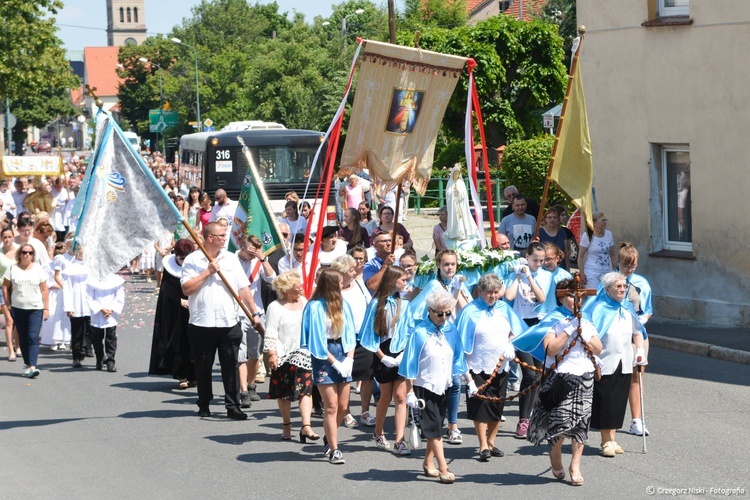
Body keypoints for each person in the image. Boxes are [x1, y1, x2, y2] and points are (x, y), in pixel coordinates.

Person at [524, 279, 604, 486]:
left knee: (581, 424)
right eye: (570, 295)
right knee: (560, 421)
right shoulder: (553, 319)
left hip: (584, 376)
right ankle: (555, 454)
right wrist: (568, 331)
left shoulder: (586, 320)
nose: (576, 299)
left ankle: (575, 465)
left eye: (578, 295)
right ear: (561, 297)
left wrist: (584, 333)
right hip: (560, 376)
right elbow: (550, 349)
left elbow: (598, 348)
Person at [180, 222, 263, 419]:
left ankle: (233, 406)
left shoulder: (231, 259)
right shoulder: (192, 260)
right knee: (203, 365)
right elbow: (187, 289)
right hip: (202, 321)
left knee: (231, 365)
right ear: (210, 238)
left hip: (228, 321)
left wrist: (254, 313)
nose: (225, 239)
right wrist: (207, 272)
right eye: (221, 236)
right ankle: (204, 402)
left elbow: (243, 288)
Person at [455, 273, 527, 461]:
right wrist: (464, 373)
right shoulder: (470, 311)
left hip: (500, 365)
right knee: (480, 406)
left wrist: (511, 344)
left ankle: (491, 442)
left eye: (496, 293)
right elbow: (459, 339)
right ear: (480, 291)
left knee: (497, 405)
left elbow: (517, 331)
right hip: (477, 364)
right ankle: (482, 445)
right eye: (489, 293)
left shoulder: (504, 308)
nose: (493, 296)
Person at [400, 289, 468, 484]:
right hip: (424, 387)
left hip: (444, 384)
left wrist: (468, 380)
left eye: (447, 313)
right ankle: (443, 468)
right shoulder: (419, 332)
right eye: (439, 313)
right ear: (429, 310)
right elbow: (409, 363)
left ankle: (428, 462)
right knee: (435, 430)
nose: (444, 317)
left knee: (437, 425)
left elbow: (458, 355)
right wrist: (410, 391)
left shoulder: (450, 329)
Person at [409, 249, 472, 445]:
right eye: (446, 264)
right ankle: (431, 422)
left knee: (454, 383)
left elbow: (466, 309)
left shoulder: (458, 283)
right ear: (438, 265)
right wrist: (454, 291)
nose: (450, 268)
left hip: (452, 337)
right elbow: (446, 310)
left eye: (453, 264)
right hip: (435, 337)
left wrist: (459, 288)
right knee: (434, 383)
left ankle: (452, 425)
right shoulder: (435, 285)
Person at [583, 272, 646, 457]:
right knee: (606, 402)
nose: (622, 290)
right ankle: (606, 441)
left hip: (625, 360)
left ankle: (613, 438)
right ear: (608, 289)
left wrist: (640, 351)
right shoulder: (599, 308)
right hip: (605, 361)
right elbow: (589, 334)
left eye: (624, 286)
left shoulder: (627, 308)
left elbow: (638, 332)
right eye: (618, 287)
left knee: (618, 402)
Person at [300, 268, 357, 465]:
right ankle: (334, 449)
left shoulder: (344, 304)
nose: (343, 285)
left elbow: (350, 333)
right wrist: (334, 362)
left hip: (343, 349)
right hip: (324, 355)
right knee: (331, 406)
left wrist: (349, 358)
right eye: (340, 282)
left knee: (343, 406)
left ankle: (329, 434)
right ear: (332, 284)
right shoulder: (314, 307)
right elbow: (316, 340)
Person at [359, 266, 412, 454]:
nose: (406, 283)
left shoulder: (404, 304)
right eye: (403, 280)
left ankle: (399, 440)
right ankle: (378, 432)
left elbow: (409, 330)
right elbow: (368, 335)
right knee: (386, 396)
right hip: (383, 352)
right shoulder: (376, 304)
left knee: (401, 397)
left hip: (400, 352)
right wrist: (383, 358)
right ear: (393, 281)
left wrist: (403, 354)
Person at [504, 241, 553, 438]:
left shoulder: (546, 275)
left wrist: (530, 277)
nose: (539, 263)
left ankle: (534, 414)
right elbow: (508, 295)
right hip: (519, 327)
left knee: (539, 374)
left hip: (538, 327)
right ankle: (523, 419)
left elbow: (541, 298)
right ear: (527, 257)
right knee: (529, 374)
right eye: (535, 260)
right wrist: (518, 276)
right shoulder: (516, 272)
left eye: (542, 260)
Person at [264, 271, 319, 442]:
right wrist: (272, 354)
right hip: (283, 356)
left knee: (306, 391)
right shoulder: (275, 307)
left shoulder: (304, 302)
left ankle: (306, 426)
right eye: (297, 286)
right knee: (284, 393)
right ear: (286, 289)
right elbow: (271, 332)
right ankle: (287, 424)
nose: (301, 288)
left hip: (304, 354)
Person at [331, 255, 374, 428]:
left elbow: (369, 304)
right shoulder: (335, 290)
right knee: (346, 377)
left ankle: (365, 410)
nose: (354, 271)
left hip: (363, 335)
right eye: (350, 269)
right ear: (341, 272)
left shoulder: (359, 284)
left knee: (367, 375)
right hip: (343, 338)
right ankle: (346, 412)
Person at [149, 239, 197, 389]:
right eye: (181, 258)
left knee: (194, 344)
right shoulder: (169, 269)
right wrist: (179, 301)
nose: (183, 261)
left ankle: (193, 375)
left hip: (194, 310)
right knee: (179, 343)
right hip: (176, 313)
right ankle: (181, 375)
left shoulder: (194, 266)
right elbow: (166, 291)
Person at [617, 242, 653, 437]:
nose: (628, 270)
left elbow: (648, 311)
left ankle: (636, 420)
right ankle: (607, 418)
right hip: (614, 335)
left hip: (636, 335)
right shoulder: (609, 281)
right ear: (618, 262)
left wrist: (641, 320)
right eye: (625, 265)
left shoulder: (642, 283)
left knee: (636, 376)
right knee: (610, 376)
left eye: (632, 266)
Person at [236, 234, 276, 406]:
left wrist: (262, 258)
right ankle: (243, 390)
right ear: (242, 247)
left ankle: (251, 385)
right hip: (236, 312)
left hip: (257, 313)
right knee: (240, 354)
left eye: (255, 251)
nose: (252, 255)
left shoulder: (258, 262)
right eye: (250, 251)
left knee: (254, 353)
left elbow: (273, 280)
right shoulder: (232, 260)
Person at [3, 243, 49, 378]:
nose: (27, 255)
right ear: (20, 254)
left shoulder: (38, 269)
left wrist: (46, 307)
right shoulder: (12, 268)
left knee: (33, 337)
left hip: (36, 308)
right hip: (18, 308)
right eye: (24, 252)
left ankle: (33, 366)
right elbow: (5, 287)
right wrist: (8, 304)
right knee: (22, 337)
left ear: (33, 255)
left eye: (30, 252)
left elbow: (44, 289)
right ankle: (28, 364)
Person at [86, 273, 125, 372]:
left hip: (111, 313)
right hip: (98, 313)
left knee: (111, 338)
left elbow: (119, 296)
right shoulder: (92, 280)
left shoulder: (116, 280)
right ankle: (100, 358)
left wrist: (112, 309)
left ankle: (110, 361)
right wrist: (100, 308)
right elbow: (89, 297)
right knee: (96, 338)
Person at [62, 243, 92, 367]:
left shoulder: (90, 266)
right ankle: (77, 355)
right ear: (75, 252)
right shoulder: (70, 267)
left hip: (89, 301)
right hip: (76, 302)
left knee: (91, 329)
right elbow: (67, 289)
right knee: (77, 330)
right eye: (80, 251)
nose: (82, 254)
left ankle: (89, 349)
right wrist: (69, 306)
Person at [578, 212, 615, 289]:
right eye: (602, 221)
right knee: (594, 295)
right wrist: (582, 273)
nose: (605, 222)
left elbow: (612, 255)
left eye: (605, 220)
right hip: (592, 272)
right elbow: (580, 256)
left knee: (607, 295)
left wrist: (615, 270)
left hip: (607, 271)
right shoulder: (587, 236)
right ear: (594, 223)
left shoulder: (609, 234)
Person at [541, 241, 573, 313]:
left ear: (557, 258)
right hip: (541, 312)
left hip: (559, 312)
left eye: (548, 259)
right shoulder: (539, 273)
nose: (545, 263)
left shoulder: (565, 276)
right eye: (543, 260)